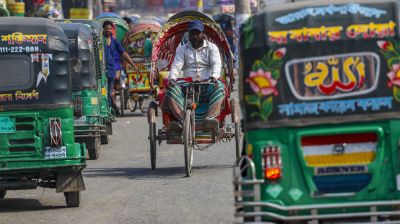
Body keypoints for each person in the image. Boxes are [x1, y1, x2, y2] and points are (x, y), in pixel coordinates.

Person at [162, 20, 225, 124]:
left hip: (207, 83)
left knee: (220, 89)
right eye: (192, 34)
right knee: (171, 91)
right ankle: (181, 119)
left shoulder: (212, 48)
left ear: (203, 34)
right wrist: (172, 78)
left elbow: (216, 63)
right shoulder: (182, 49)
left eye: (198, 33)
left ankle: (210, 119)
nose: (195, 37)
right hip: (187, 85)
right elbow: (176, 65)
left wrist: (214, 76)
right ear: (189, 34)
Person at [102, 20, 138, 114]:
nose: (108, 30)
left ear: (112, 30)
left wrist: (133, 64)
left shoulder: (115, 42)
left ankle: (109, 111)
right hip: (101, 70)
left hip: (112, 70)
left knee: (109, 92)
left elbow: (124, 54)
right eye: (106, 29)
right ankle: (112, 108)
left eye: (109, 29)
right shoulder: (100, 41)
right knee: (103, 93)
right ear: (103, 29)